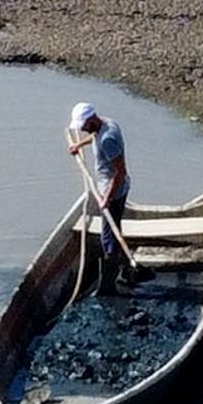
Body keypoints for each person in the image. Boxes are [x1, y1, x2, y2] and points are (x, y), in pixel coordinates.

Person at [67, 102, 130, 287]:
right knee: (114, 229)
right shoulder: (105, 123)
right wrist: (79, 144)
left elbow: (120, 172)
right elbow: (95, 136)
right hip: (109, 188)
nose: (83, 129)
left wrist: (107, 198)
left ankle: (112, 280)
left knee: (108, 237)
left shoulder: (108, 139)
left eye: (84, 126)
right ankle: (125, 266)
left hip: (114, 191)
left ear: (91, 119)